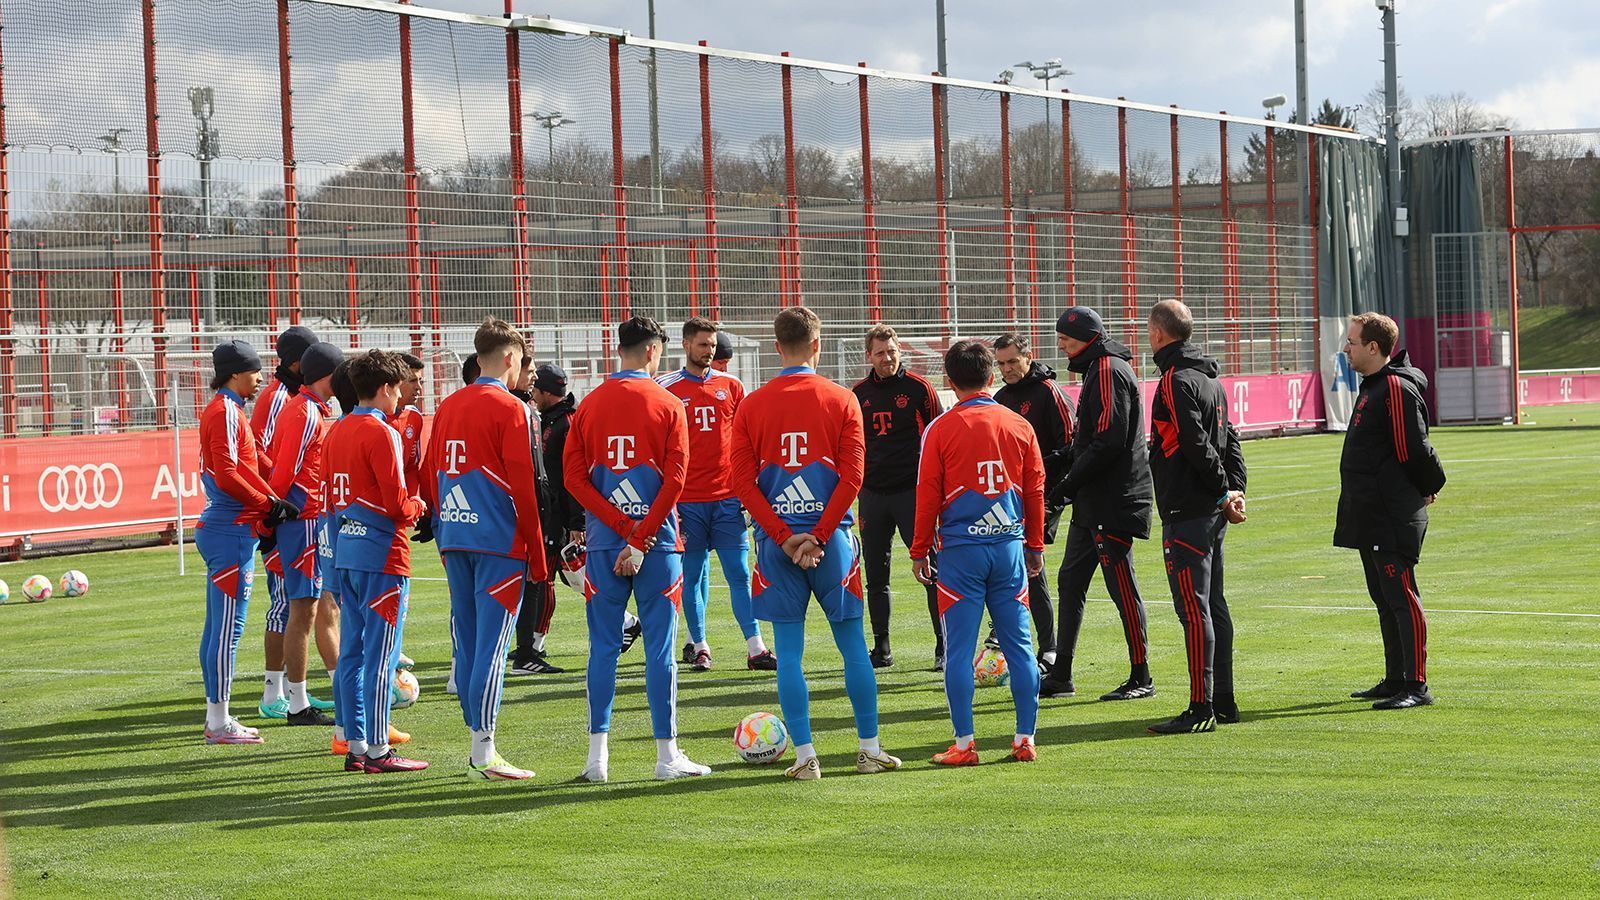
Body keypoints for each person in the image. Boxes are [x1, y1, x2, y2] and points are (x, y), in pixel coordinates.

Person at [730, 306, 901, 781]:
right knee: (851, 646)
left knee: (789, 653)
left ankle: (806, 758)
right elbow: (854, 476)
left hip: (775, 546)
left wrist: (785, 538)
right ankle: (868, 751)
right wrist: (820, 534)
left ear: (776, 347)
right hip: (834, 544)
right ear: (818, 345)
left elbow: (742, 484)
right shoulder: (843, 399)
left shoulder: (752, 404)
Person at [563, 316, 710, 783]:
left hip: (606, 544)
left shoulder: (589, 405)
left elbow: (574, 479)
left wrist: (621, 528)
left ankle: (596, 759)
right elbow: (677, 480)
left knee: (602, 649)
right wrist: (642, 535)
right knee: (660, 649)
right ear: (652, 351)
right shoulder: (668, 403)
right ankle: (667, 757)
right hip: (659, 543)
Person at [911, 340, 1046, 765]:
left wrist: (919, 550)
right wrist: (1035, 544)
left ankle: (965, 744)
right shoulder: (1019, 425)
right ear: (991, 376)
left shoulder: (939, 429)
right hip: (1007, 548)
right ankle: (1025, 738)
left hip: (961, 554)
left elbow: (927, 494)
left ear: (949, 382)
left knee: (959, 650)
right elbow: (1036, 489)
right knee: (1020, 647)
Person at [425, 318, 549, 780]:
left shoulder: (449, 405)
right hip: (498, 542)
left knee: (470, 644)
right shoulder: (513, 409)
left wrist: (444, 529)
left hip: (456, 534)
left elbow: (431, 472)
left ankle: (477, 739)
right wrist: (537, 555)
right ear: (511, 359)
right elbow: (525, 488)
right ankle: (483, 749)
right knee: (493, 649)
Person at [1040, 307, 1158, 703]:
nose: (1061, 346)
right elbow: (1095, 436)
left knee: (1122, 588)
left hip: (1113, 500)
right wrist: (1063, 458)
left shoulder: (1106, 369)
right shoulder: (1100, 368)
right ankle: (1062, 673)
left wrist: (1067, 484)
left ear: (1087, 337)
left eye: (1067, 339)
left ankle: (1141, 675)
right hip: (1095, 501)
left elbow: (1109, 439)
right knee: (1070, 582)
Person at [1144, 300, 1248, 735]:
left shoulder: (1173, 380)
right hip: (1209, 510)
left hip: (1189, 510)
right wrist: (1235, 488)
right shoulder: (1210, 379)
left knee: (1194, 609)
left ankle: (1200, 705)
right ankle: (1222, 699)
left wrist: (1226, 490)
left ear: (1158, 334)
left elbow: (1196, 443)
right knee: (1213, 605)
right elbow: (1231, 439)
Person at [323, 349, 429, 773]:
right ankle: (379, 749)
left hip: (346, 552)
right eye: (399, 390)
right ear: (386, 388)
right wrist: (419, 504)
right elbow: (397, 505)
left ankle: (355, 743)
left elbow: (331, 500)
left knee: (351, 653)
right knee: (380, 657)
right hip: (382, 555)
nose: (401, 399)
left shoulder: (336, 431)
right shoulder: (381, 432)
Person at [1336, 312, 1446, 710]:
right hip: (1371, 513)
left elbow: (1413, 449)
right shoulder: (1374, 386)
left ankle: (1416, 684)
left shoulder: (1395, 388)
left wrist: (1429, 486)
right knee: (1383, 597)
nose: (1345, 348)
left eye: (1351, 341)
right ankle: (1396, 677)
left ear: (1373, 348)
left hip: (1390, 515)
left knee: (1401, 596)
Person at [657, 317, 775, 672]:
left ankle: (756, 648)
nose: (709, 351)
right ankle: (700, 644)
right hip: (687, 501)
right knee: (691, 576)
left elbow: (747, 441)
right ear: (686, 345)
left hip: (727, 499)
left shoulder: (733, 386)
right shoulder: (666, 387)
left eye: (712, 345)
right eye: (703, 344)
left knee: (739, 574)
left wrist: (749, 489)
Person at [196, 339, 296, 744]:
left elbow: (245, 466)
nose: (261, 378)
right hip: (228, 530)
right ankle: (218, 722)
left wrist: (271, 500)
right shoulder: (224, 411)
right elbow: (225, 473)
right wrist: (266, 504)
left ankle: (218, 717)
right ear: (236, 372)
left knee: (222, 628)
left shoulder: (229, 409)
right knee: (226, 630)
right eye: (255, 370)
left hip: (231, 528)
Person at [851, 324, 945, 670]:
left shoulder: (919, 388)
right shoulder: (858, 394)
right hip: (873, 495)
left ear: (899, 351)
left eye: (892, 351)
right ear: (869, 356)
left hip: (912, 494)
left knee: (931, 569)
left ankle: (943, 645)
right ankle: (882, 648)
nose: (887, 358)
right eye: (880, 352)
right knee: (875, 574)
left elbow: (938, 437)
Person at [262, 341, 344, 728]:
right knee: (305, 608)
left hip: (306, 519)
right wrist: (273, 517)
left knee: (312, 607)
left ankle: (303, 698)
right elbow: (284, 471)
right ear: (328, 375)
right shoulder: (305, 412)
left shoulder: (306, 408)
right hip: (303, 520)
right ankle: (297, 703)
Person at [991, 333, 1068, 673]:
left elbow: (1070, 445)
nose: (1007, 368)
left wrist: (1042, 475)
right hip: (1009, 498)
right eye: (1001, 363)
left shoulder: (1048, 392)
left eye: (1012, 361)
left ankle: (1048, 648)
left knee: (1030, 565)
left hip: (1045, 493)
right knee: (1010, 563)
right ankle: (1006, 634)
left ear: (1028, 357)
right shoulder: (1000, 399)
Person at [251, 324, 318, 719]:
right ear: (297, 363)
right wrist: (275, 505)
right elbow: (264, 455)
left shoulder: (289, 395)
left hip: (288, 509)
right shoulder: (279, 399)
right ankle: (275, 695)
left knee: (295, 604)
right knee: (284, 604)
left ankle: (282, 691)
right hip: (283, 513)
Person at [508, 359, 567, 676]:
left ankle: (530, 647)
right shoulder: (524, 411)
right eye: (527, 373)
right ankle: (527, 650)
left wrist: (574, 521)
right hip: (536, 510)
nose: (530, 381)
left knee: (543, 581)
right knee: (539, 581)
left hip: (548, 513)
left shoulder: (556, 420)